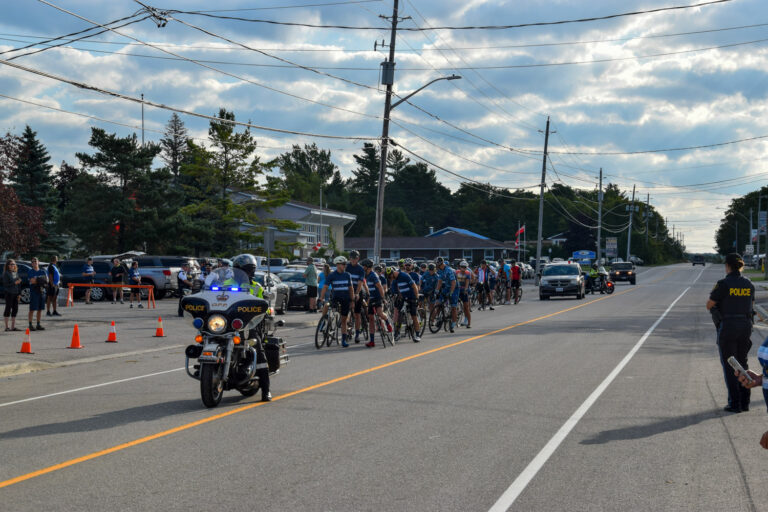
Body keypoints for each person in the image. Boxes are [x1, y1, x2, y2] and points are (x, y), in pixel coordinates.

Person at [706, 252, 755, 413]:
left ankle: (735, 403)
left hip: (728, 327)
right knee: (743, 363)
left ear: (727, 266)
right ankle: (745, 402)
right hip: (745, 326)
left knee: (731, 366)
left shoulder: (723, 284)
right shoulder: (749, 284)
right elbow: (751, 305)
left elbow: (709, 304)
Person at [232, 254, 270, 401]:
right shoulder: (226, 284)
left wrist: (264, 310)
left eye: (250, 269)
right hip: (228, 324)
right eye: (245, 269)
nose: (249, 273)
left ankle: (266, 390)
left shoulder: (256, 287)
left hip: (248, 325)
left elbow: (264, 306)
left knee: (258, 352)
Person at [319, 256, 355, 347]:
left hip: (345, 299)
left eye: (345, 264)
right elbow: (325, 287)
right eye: (343, 264)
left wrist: (352, 300)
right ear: (338, 265)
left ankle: (343, 340)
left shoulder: (347, 275)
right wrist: (321, 298)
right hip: (335, 298)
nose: (345, 266)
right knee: (327, 305)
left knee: (343, 320)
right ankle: (324, 321)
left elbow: (351, 289)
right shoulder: (332, 275)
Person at [363, 258, 390, 347]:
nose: (363, 267)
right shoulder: (366, 275)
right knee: (371, 318)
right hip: (371, 298)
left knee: (380, 313)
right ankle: (372, 341)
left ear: (368, 267)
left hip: (378, 297)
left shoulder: (373, 275)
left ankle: (387, 322)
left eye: (364, 266)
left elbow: (380, 287)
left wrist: (383, 298)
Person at [391, 267, 421, 342]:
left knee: (414, 316)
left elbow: (414, 286)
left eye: (391, 277)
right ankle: (397, 333)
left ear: (394, 273)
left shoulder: (404, 275)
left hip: (412, 297)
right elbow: (397, 289)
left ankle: (417, 334)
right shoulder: (395, 279)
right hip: (404, 298)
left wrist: (416, 298)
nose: (391, 279)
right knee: (400, 315)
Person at [346, 251, 368, 343]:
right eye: (351, 258)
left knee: (357, 314)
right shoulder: (347, 267)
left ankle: (357, 334)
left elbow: (360, 283)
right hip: (348, 291)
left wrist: (357, 293)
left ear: (358, 259)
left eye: (355, 258)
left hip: (357, 291)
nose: (353, 260)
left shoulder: (360, 269)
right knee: (346, 312)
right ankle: (348, 327)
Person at [434, 257, 458, 333]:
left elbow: (453, 282)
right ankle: (440, 318)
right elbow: (439, 281)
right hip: (447, 287)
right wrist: (436, 291)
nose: (436, 266)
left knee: (453, 307)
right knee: (438, 302)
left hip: (454, 288)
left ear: (440, 264)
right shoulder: (440, 270)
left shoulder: (449, 270)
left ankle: (453, 324)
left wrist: (451, 293)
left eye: (436, 265)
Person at [27, 257, 47, 331]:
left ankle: (38, 324)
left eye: (35, 261)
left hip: (42, 292)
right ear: (31, 264)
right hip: (34, 292)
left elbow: (46, 281)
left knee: (40, 309)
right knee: (32, 309)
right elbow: (32, 281)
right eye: (33, 262)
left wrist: (37, 280)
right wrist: (40, 279)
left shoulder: (43, 271)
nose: (34, 262)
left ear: (38, 262)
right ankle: (30, 325)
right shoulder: (30, 271)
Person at [3, 260, 21, 332]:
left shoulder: (15, 273)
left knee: (15, 309)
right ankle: (7, 327)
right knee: (8, 309)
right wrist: (14, 283)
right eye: (11, 264)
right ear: (8, 265)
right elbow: (5, 284)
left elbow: (18, 284)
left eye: (13, 264)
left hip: (15, 293)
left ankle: (13, 327)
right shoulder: (6, 273)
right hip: (9, 293)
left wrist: (19, 294)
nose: (12, 265)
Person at [456, 260, 473, 328]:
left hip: (464, 291)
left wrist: (466, 289)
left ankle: (469, 323)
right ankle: (455, 319)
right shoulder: (456, 272)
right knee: (455, 306)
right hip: (457, 290)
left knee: (466, 307)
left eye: (465, 267)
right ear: (460, 267)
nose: (463, 268)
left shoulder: (468, 273)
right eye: (462, 267)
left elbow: (467, 282)